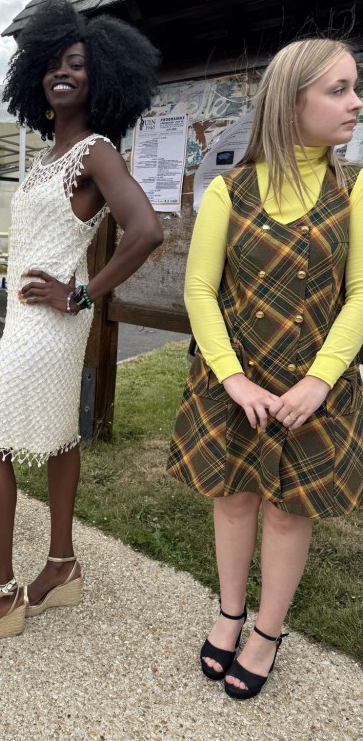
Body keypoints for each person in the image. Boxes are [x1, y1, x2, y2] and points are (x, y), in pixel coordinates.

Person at [0, 0, 163, 647]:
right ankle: (61, 564)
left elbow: (146, 230)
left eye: (80, 66)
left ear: (103, 81)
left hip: (52, 322)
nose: (63, 74)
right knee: (60, 438)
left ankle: (0, 594)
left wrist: (83, 295)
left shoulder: (94, 152)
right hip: (38, 322)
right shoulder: (49, 156)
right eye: (54, 64)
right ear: (35, 74)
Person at [167, 38, 363, 699]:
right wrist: (230, 376)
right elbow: (200, 291)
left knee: (286, 512)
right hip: (235, 384)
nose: (356, 102)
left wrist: (319, 380)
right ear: (293, 99)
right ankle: (229, 614)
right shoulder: (229, 189)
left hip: (314, 387)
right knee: (236, 497)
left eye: (355, 88)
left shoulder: (356, 188)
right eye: (339, 89)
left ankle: (267, 631)